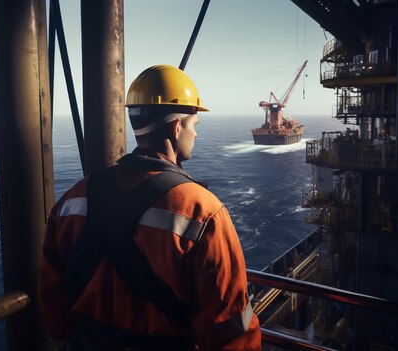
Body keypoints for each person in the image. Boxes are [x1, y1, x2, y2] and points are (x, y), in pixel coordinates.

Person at [39, 65, 261, 350]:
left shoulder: (74, 199)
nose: (195, 135)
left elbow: (53, 301)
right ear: (176, 127)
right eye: (194, 125)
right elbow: (230, 328)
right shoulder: (204, 212)